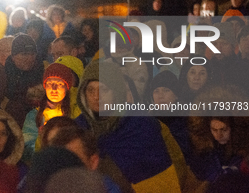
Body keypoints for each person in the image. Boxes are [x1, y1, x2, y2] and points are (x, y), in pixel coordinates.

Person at [75, 60, 182, 192]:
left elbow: (168, 171)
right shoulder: (76, 130)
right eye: (90, 90)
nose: (96, 96)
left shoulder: (142, 126)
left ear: (116, 91)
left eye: (104, 89)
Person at [22, 62, 79, 161]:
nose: (54, 89)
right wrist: (42, 139)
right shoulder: (34, 116)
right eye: (49, 84)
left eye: (59, 84)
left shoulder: (76, 112)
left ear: (67, 87)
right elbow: (28, 150)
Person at [4, 34, 44, 127]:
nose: (29, 58)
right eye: (24, 54)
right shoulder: (3, 77)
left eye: (32, 54)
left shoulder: (45, 76)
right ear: (13, 56)